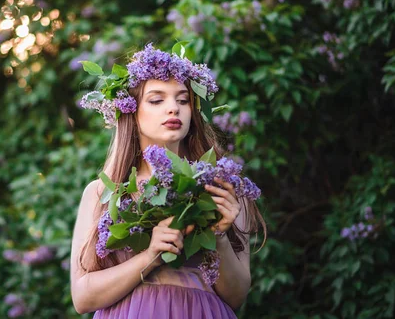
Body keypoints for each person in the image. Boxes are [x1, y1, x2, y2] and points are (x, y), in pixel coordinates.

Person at [70, 43, 266, 318]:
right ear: (131, 111)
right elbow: (82, 298)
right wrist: (151, 255)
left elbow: (236, 296)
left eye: (183, 100)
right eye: (156, 99)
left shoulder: (222, 188)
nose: (173, 108)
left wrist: (219, 235)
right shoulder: (103, 192)